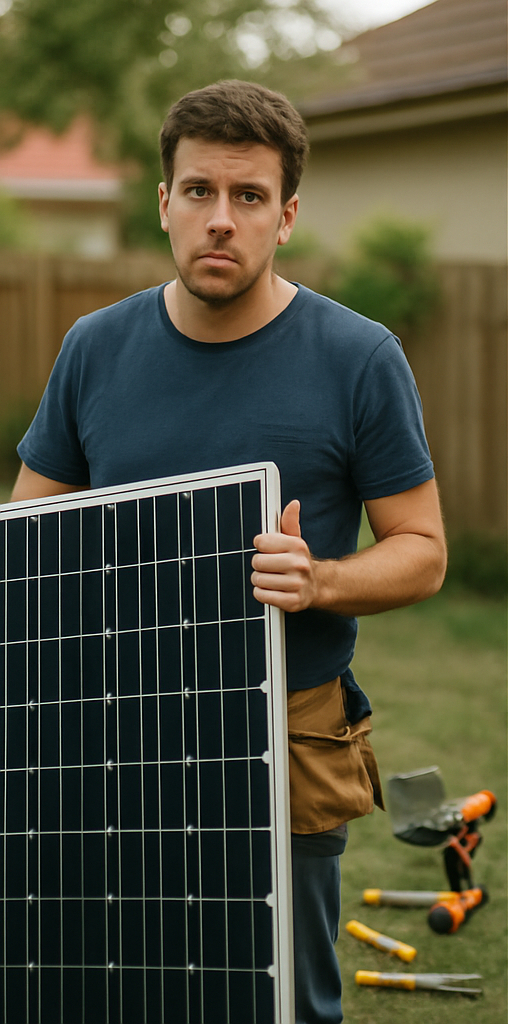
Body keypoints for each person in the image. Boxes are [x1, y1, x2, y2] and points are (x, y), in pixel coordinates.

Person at [11, 79, 446, 1024]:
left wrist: (321, 578)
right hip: (106, 738)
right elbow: (30, 535)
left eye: (249, 198)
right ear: (162, 202)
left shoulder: (359, 356)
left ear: (285, 216)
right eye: (199, 191)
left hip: (282, 735)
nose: (221, 219)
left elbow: (421, 551)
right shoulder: (94, 347)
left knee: (282, 998)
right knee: (110, 983)